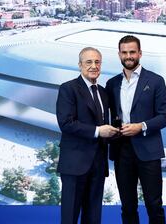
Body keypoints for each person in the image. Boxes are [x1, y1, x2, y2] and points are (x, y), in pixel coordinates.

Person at [106, 35, 166, 224]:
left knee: (154, 204)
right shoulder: (112, 84)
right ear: (119, 54)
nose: (129, 56)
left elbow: (165, 116)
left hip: (148, 151)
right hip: (121, 151)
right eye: (124, 52)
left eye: (132, 52)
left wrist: (141, 127)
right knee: (127, 205)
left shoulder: (156, 81)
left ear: (140, 53)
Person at [56, 47, 119, 224]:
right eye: (88, 62)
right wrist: (99, 131)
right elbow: (66, 124)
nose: (93, 66)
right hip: (74, 164)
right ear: (80, 65)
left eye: (97, 62)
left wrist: (118, 132)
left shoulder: (104, 92)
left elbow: (105, 124)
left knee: (93, 217)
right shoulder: (68, 89)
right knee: (70, 217)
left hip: (98, 164)